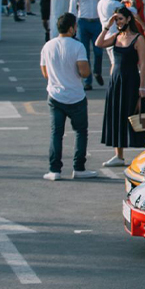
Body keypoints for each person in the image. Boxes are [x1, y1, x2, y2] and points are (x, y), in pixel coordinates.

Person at [41, 13, 96, 181]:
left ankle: (54, 169)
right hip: (76, 95)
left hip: (55, 95)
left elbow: (45, 73)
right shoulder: (78, 47)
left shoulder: (48, 46)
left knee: (56, 133)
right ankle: (79, 168)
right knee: (80, 132)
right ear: (72, 28)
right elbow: (84, 71)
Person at [97, 7, 145, 167]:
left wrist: (142, 87)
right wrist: (107, 25)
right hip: (116, 81)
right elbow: (99, 43)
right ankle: (119, 155)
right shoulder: (116, 36)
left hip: (131, 80)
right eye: (116, 19)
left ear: (128, 19)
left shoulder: (138, 39)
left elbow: (143, 64)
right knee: (117, 116)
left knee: (139, 115)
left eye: (120, 19)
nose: (118, 22)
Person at [70, 0, 105, 89]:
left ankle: (97, 72)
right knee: (84, 52)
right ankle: (87, 81)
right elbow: (72, 7)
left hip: (97, 22)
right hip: (83, 22)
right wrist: (72, 26)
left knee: (98, 51)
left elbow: (105, 3)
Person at [97, 0, 124, 71]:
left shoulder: (100, 2)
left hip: (107, 34)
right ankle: (114, 83)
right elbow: (127, 11)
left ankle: (114, 83)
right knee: (116, 64)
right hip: (115, 36)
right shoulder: (113, 4)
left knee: (113, 62)